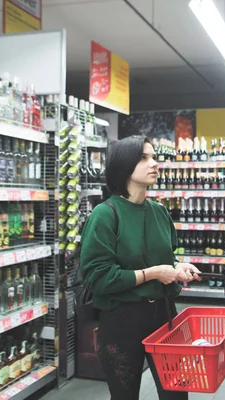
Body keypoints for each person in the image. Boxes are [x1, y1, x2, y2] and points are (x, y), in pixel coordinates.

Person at [80, 135, 201, 399]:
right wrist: (155, 273)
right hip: (122, 320)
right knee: (125, 395)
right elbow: (98, 278)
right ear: (124, 166)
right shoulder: (105, 214)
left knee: (176, 394)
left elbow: (166, 258)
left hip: (164, 315)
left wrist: (178, 267)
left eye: (154, 157)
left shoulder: (159, 211)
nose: (154, 163)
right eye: (144, 158)